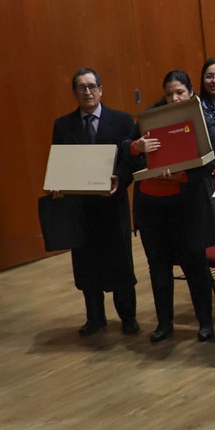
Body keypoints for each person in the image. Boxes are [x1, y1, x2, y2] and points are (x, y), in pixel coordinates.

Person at [54, 68, 143, 336]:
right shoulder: (63, 124)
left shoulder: (123, 120)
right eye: (81, 87)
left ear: (101, 89)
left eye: (92, 86)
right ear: (75, 93)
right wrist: (57, 182)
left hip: (112, 205)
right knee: (86, 262)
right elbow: (59, 161)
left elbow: (132, 161)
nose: (87, 91)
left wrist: (120, 178)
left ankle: (128, 317)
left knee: (120, 263)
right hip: (80, 207)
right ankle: (95, 318)